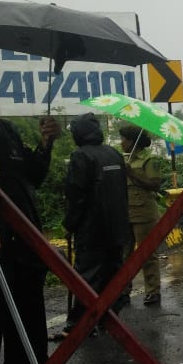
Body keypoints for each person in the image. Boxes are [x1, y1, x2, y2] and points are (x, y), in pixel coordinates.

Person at [0, 115, 74, 364]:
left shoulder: (6, 129)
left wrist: (46, 143)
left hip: (26, 243)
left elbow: (33, 176)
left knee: (30, 322)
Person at [61, 113, 132, 335]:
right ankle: (108, 315)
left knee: (87, 274)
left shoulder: (80, 156)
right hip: (118, 226)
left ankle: (81, 322)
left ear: (78, 133)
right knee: (113, 272)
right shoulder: (113, 153)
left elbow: (76, 195)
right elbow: (123, 191)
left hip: (92, 229)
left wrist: (70, 224)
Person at [119, 125, 164, 306]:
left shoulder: (148, 160)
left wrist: (132, 174)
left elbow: (155, 184)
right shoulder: (123, 159)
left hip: (144, 212)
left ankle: (153, 291)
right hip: (125, 212)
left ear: (131, 141)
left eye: (123, 139)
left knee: (147, 253)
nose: (121, 143)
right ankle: (123, 290)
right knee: (124, 254)